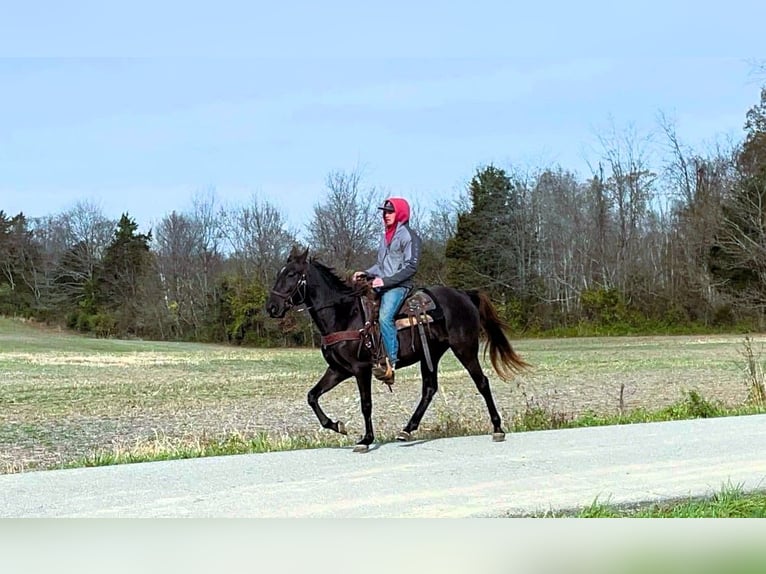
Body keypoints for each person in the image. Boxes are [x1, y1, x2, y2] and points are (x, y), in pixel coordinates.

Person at [353, 197, 421, 385]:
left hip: (399, 286)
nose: (386, 215)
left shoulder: (408, 236)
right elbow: (381, 265)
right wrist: (366, 273)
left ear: (400, 213)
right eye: (384, 212)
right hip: (382, 284)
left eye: (390, 212)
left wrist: (386, 281)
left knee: (384, 317)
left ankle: (391, 361)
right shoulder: (386, 236)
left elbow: (411, 267)